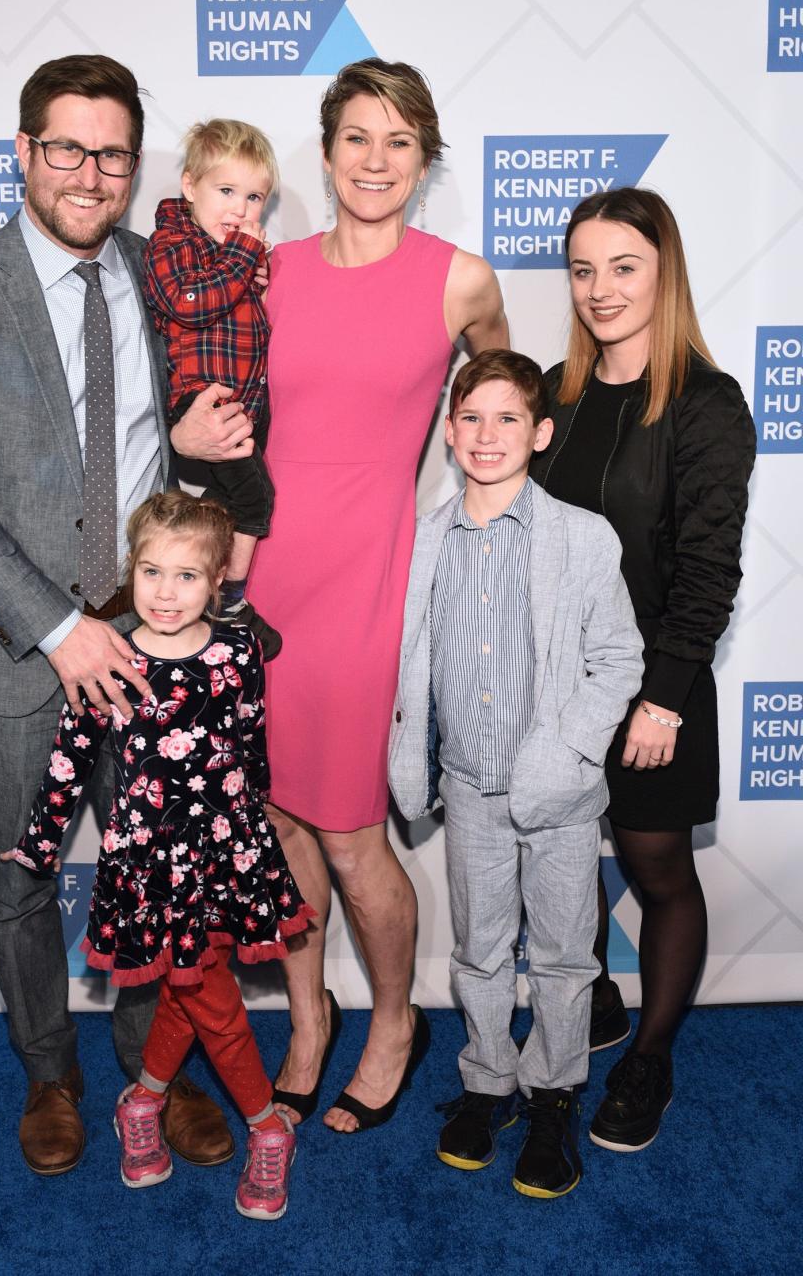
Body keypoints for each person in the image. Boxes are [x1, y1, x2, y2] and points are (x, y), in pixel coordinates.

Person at [0, 55, 253, 1175]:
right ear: (23, 151)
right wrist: (61, 627)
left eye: (111, 153)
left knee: (159, 871)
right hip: (15, 654)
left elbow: (191, 425)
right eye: (66, 148)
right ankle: (50, 1071)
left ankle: (158, 1073)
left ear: (134, 165)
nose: (88, 173)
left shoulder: (166, 275)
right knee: (21, 877)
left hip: (153, 647)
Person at [246, 59, 510, 1133]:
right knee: (278, 821)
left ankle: (395, 1018)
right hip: (263, 576)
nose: (376, 160)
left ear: (424, 161)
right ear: (325, 150)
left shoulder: (461, 280)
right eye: (358, 137)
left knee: (353, 830)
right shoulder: (267, 270)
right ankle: (310, 1018)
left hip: (372, 580)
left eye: (400, 142)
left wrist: (486, 488)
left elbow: (498, 391)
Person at [3, 492, 311, 1219]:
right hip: (149, 861)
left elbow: (250, 742)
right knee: (210, 993)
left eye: (187, 577)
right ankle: (268, 1125)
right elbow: (71, 759)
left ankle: (142, 1102)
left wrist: (257, 831)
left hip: (226, 851)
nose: (166, 593)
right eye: (151, 572)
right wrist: (43, 841)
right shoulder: (107, 654)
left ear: (217, 582)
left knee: (185, 982)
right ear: (129, 571)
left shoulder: (238, 653)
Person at [530, 187, 756, 1152]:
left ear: (664, 274)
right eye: (584, 269)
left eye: (624, 267)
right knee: (562, 860)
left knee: (658, 869)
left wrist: (662, 698)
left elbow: (710, 566)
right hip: (556, 686)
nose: (600, 289)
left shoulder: (706, 401)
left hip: (658, 684)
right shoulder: (557, 394)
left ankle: (651, 1056)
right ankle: (601, 1000)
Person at [389, 350, 643, 1197]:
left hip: (561, 791)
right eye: (470, 418)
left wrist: (566, 750)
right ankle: (488, 1078)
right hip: (466, 785)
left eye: (507, 419)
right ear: (449, 431)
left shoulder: (582, 536)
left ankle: (554, 1092)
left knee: (568, 956)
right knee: (480, 947)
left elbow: (616, 660)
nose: (487, 435)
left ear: (540, 432)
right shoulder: (423, 537)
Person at [143, 120, 281, 657]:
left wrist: (255, 274)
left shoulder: (230, 253)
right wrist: (245, 258)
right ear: (189, 184)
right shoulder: (171, 242)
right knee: (256, 497)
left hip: (242, 403)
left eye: (254, 198)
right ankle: (232, 601)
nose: (241, 210)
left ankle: (206, 597)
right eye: (226, 191)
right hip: (205, 400)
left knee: (224, 509)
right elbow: (189, 302)